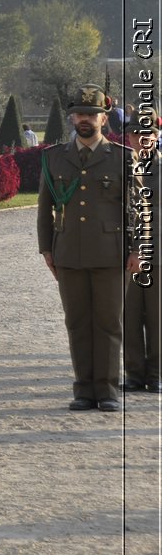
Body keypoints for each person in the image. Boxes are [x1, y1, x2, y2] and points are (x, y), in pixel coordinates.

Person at [39, 85, 145, 412]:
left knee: (109, 323)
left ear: (103, 117)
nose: (84, 119)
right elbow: (45, 207)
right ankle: (83, 389)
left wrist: (137, 249)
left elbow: (140, 208)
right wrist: (47, 248)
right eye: (79, 113)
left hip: (111, 253)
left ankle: (108, 390)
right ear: (72, 117)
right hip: (68, 251)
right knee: (77, 322)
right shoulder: (54, 156)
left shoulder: (122, 157)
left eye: (91, 114)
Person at [123, 116, 159, 392]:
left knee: (157, 319)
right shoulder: (121, 166)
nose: (140, 139)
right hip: (126, 259)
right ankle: (134, 374)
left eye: (146, 134)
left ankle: (157, 375)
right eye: (135, 134)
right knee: (130, 318)